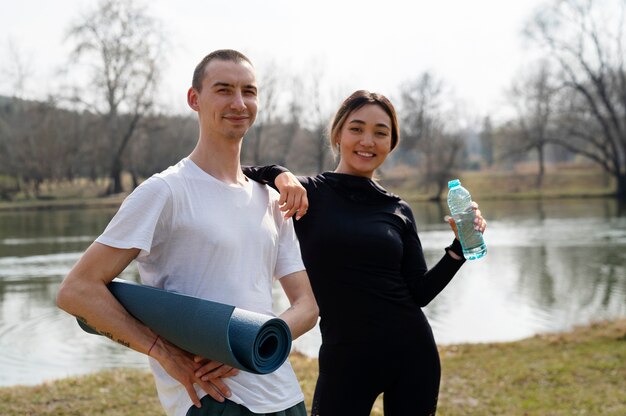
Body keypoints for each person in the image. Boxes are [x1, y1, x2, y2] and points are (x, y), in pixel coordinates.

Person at [56, 49, 319, 416]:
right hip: (212, 399)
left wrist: (253, 346)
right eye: (224, 90)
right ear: (194, 99)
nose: (239, 102)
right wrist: (161, 352)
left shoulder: (272, 200)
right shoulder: (165, 191)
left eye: (249, 91)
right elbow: (77, 290)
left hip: (282, 393)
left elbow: (307, 306)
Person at [243, 90, 487, 416]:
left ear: (391, 143)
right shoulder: (307, 193)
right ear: (338, 134)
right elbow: (235, 174)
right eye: (356, 129)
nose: (367, 141)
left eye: (380, 133)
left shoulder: (397, 208)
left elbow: (420, 292)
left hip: (412, 353)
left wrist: (459, 248)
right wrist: (279, 173)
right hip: (345, 357)